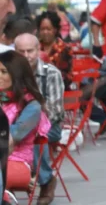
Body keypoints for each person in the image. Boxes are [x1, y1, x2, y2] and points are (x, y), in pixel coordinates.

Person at [14, 33, 64, 205]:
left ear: (38, 50)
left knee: (32, 137)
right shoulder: (8, 74)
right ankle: (11, 181)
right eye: (21, 52)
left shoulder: (51, 74)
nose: (26, 56)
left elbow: (55, 112)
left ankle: (46, 180)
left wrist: (31, 118)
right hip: (16, 125)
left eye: (30, 51)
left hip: (50, 126)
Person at [0, 51, 50, 192]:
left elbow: (9, 140)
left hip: (16, 161)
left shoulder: (31, 106)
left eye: (4, 72)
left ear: (17, 75)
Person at [36, 12, 74, 89]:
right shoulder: (34, 47)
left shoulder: (64, 49)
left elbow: (67, 77)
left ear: (55, 30)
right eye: (42, 29)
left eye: (48, 29)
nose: (45, 32)